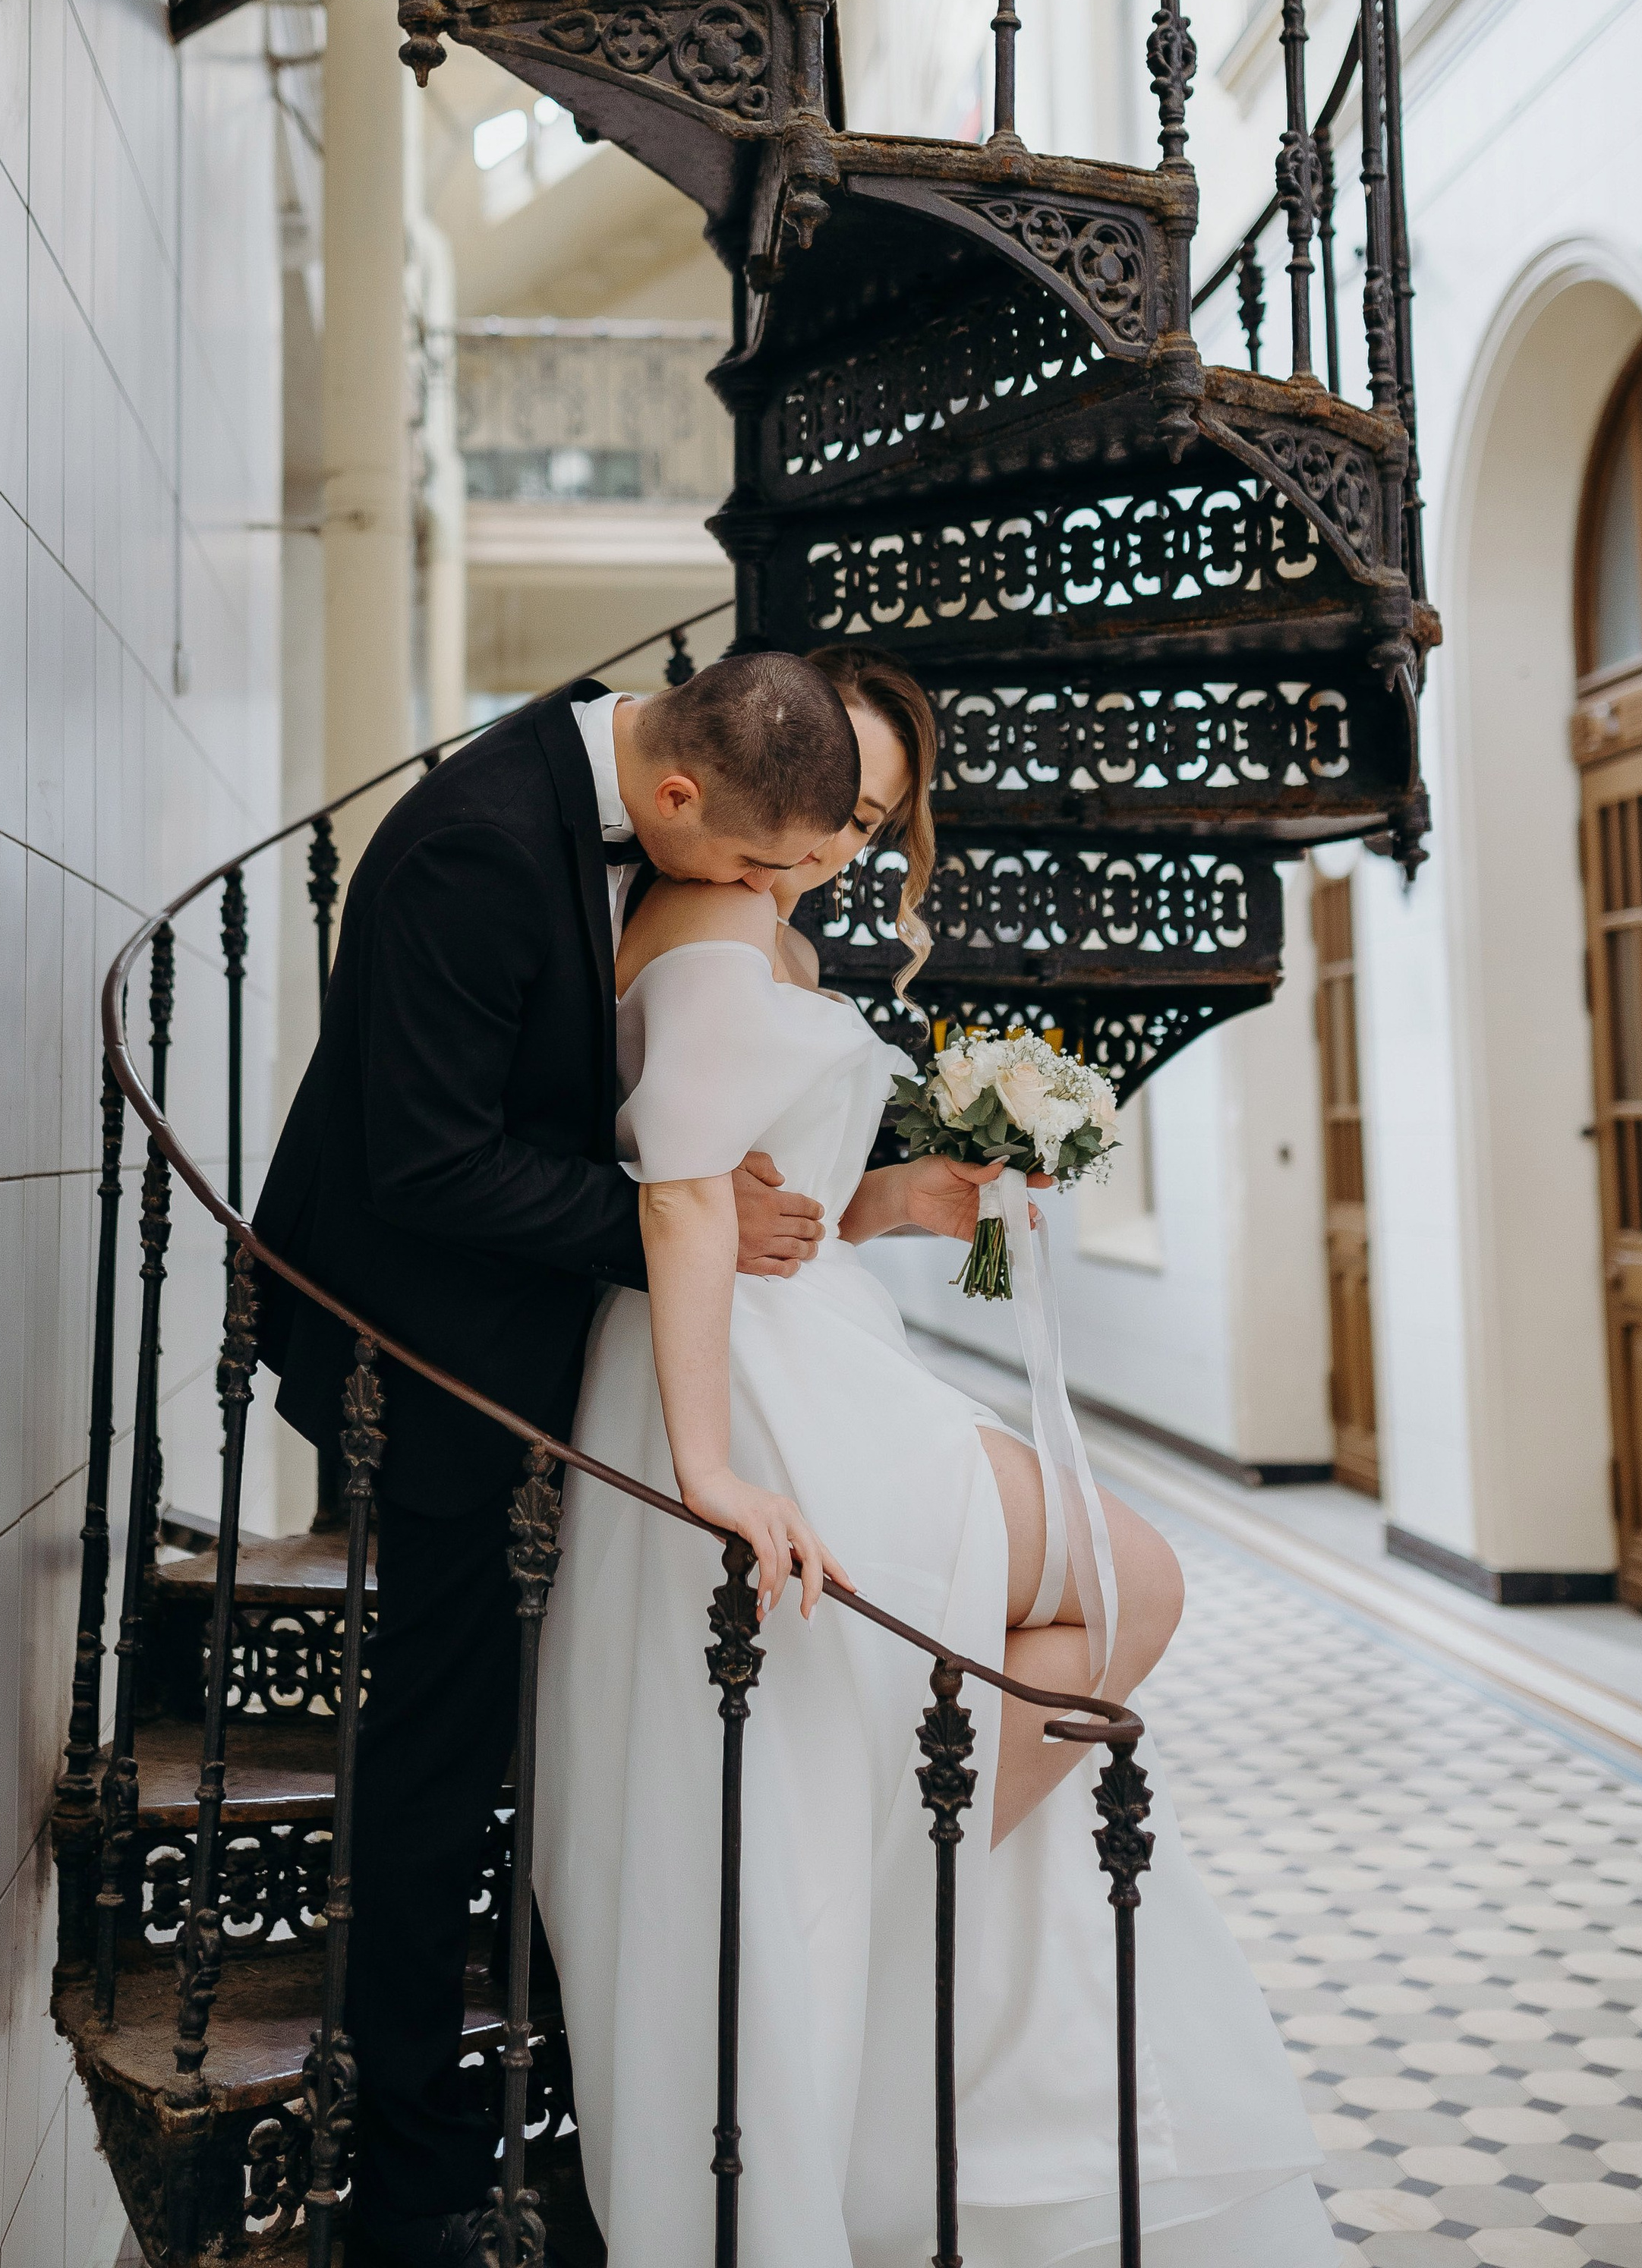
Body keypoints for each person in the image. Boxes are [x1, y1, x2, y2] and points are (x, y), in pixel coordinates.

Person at [534, 641, 1335, 2266]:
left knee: (996, 1668)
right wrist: (705, 1460)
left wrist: (903, 1196)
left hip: (816, 1344)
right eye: (832, 813)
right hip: (752, 1381)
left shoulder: (764, 920)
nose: (839, 851)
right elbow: (684, 1192)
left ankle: (872, 1925)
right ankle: (879, 1923)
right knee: (1128, 1592)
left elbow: (775, 1195)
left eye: (874, 822)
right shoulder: (707, 915)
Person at [250, 650, 866, 2268]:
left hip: (524, 1338)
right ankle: (408, 2176)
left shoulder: (597, 788)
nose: (752, 897)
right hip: (428, 1355)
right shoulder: (472, 843)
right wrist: (682, 1232)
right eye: (741, 864)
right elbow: (432, 1157)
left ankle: (576, 2105)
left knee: (540, 1739)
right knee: (438, 1761)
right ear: (669, 796)